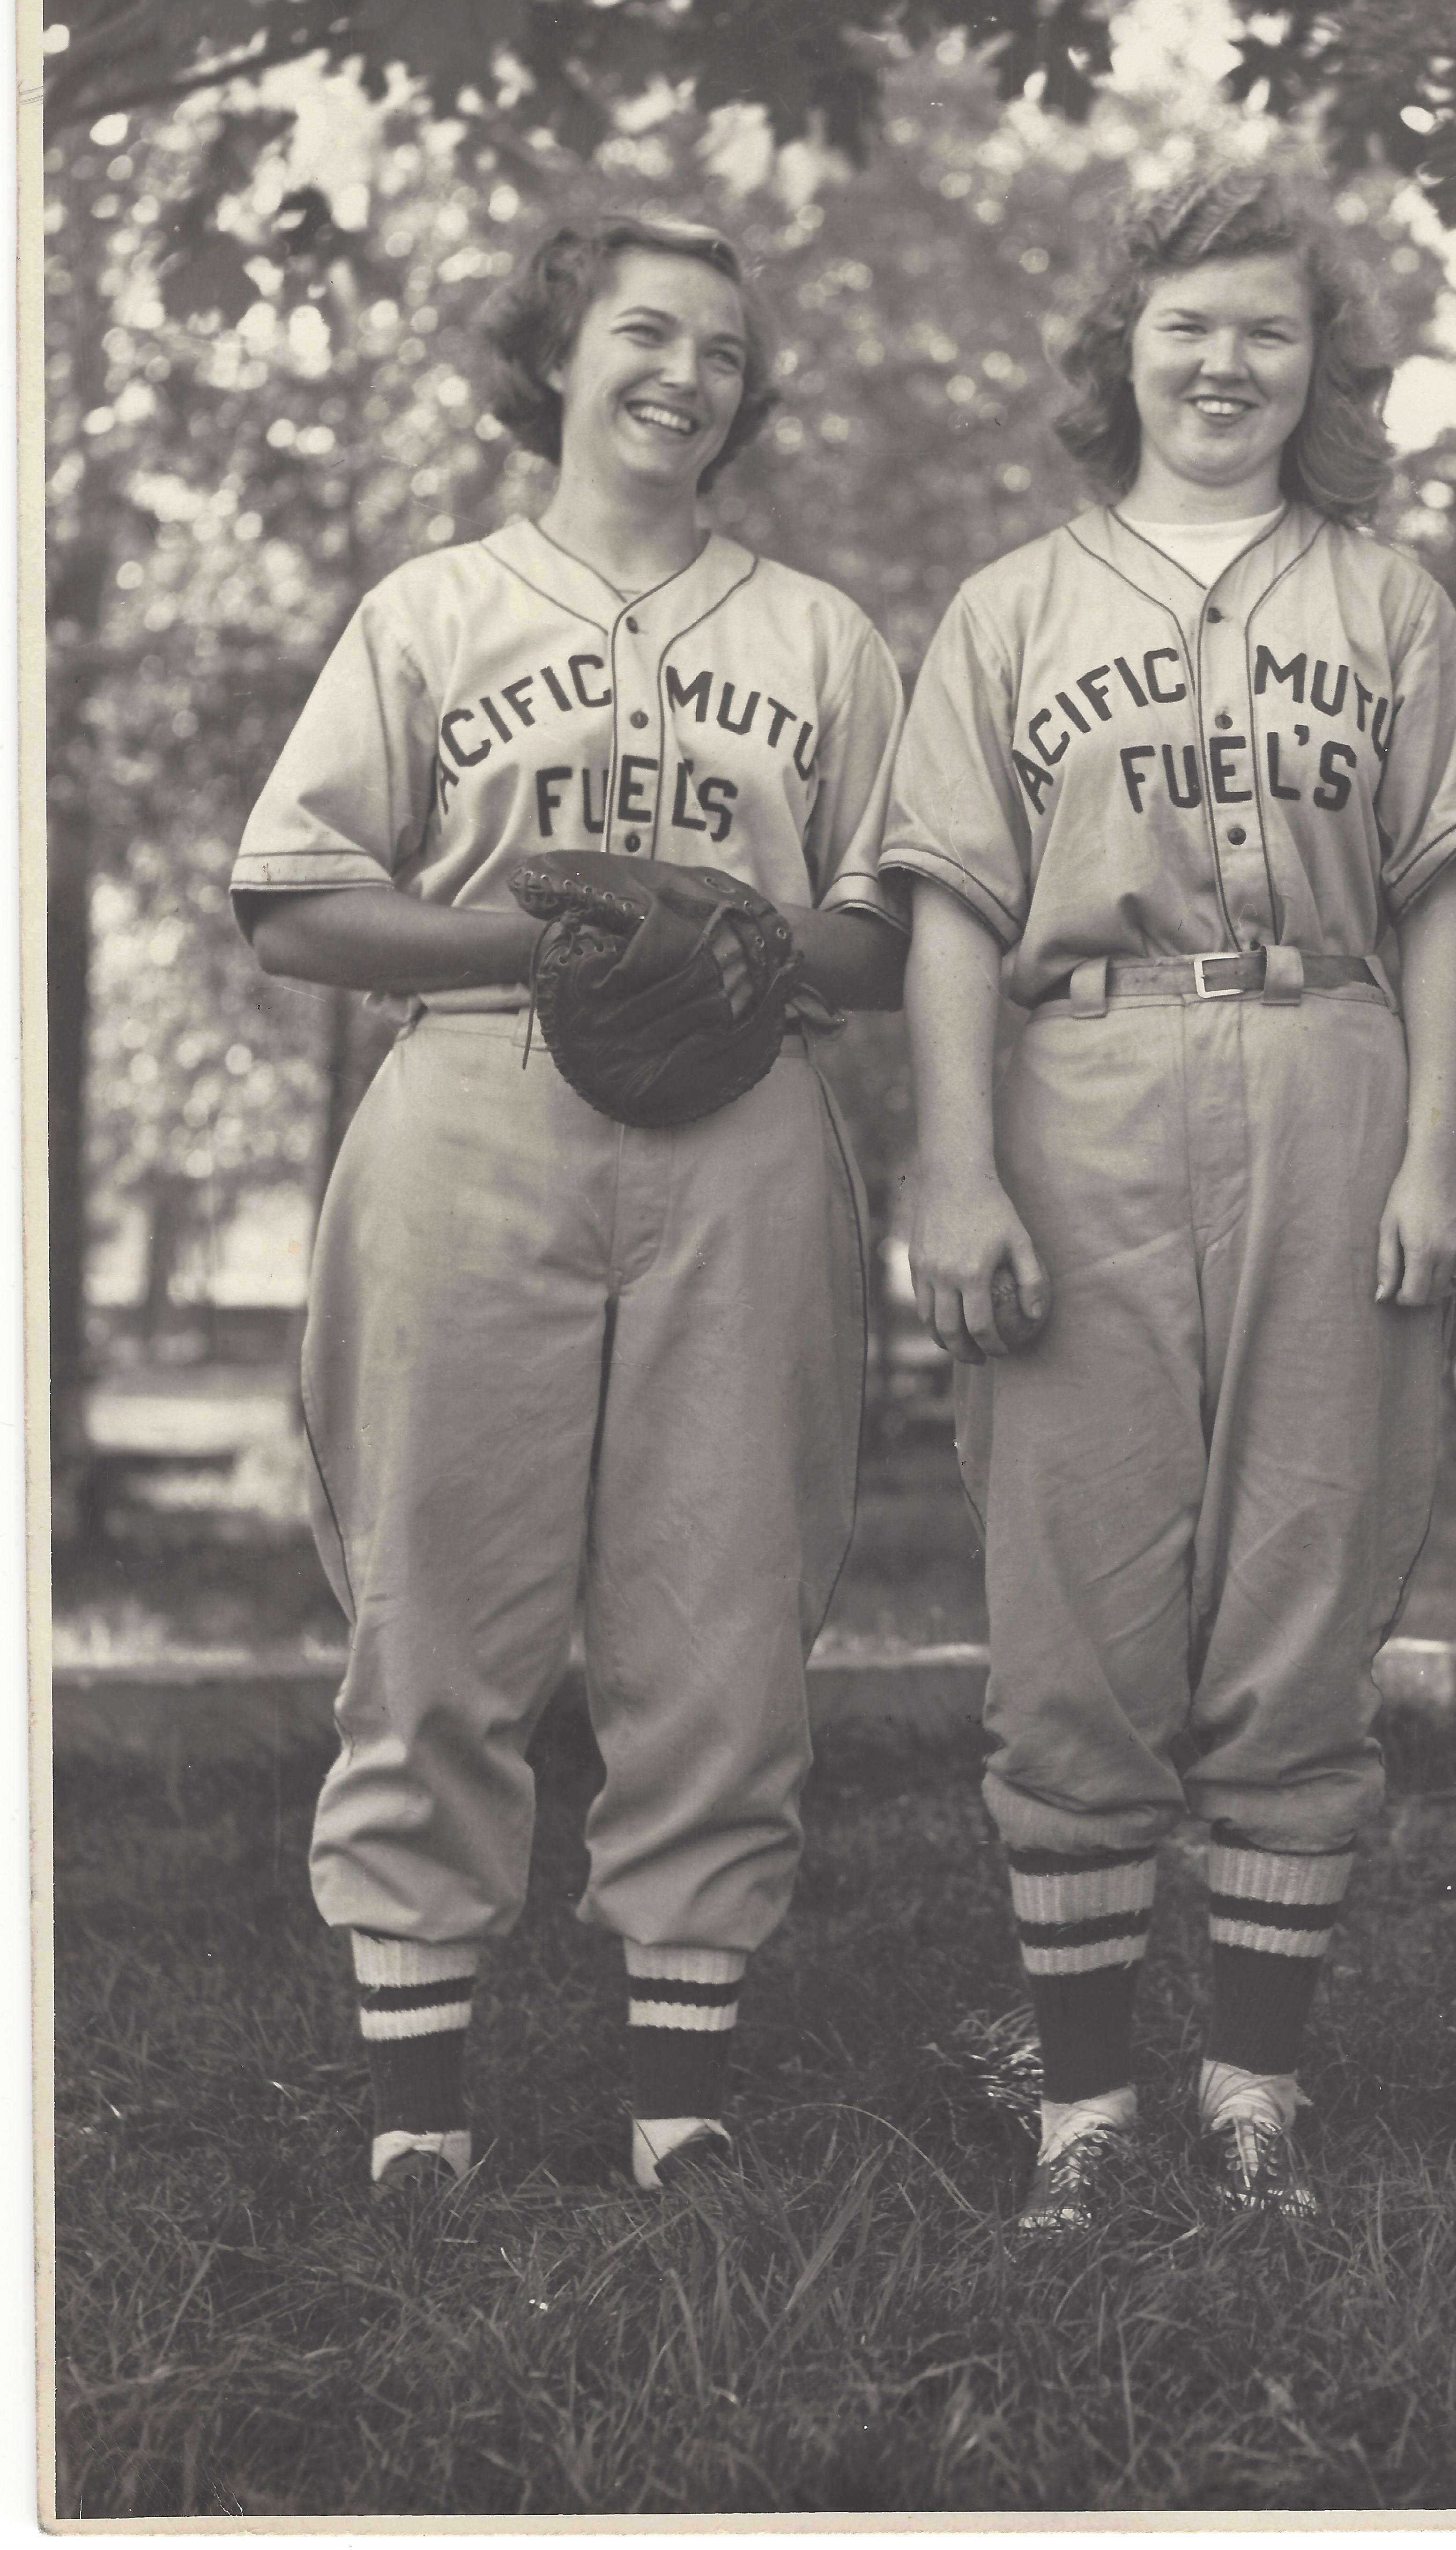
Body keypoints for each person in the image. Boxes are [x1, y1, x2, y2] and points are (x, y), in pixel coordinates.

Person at [232, 214, 907, 2192]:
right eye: (640, 331)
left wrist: (747, 944)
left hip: (747, 1107)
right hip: (475, 1084)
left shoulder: (822, 636)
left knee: (723, 1592)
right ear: (558, 358)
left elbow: (892, 928)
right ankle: (418, 2110)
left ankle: (678, 2096)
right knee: (434, 1584)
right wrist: (530, 942)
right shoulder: (433, 606)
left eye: (718, 346)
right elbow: (287, 900)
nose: (681, 372)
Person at [883, 169, 1456, 2230]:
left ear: (1316, 367)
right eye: (1185, 327)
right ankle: (1080, 2112)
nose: (1223, 363)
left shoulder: (1388, 601)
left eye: (1265, 330)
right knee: (1071, 1600)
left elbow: (1439, 892)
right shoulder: (1011, 606)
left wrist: (1438, 1138)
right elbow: (954, 910)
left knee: (1307, 1579)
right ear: (1117, 355)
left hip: (1332, 1066)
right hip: (1081, 1078)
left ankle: (1250, 2091)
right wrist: (951, 1164)